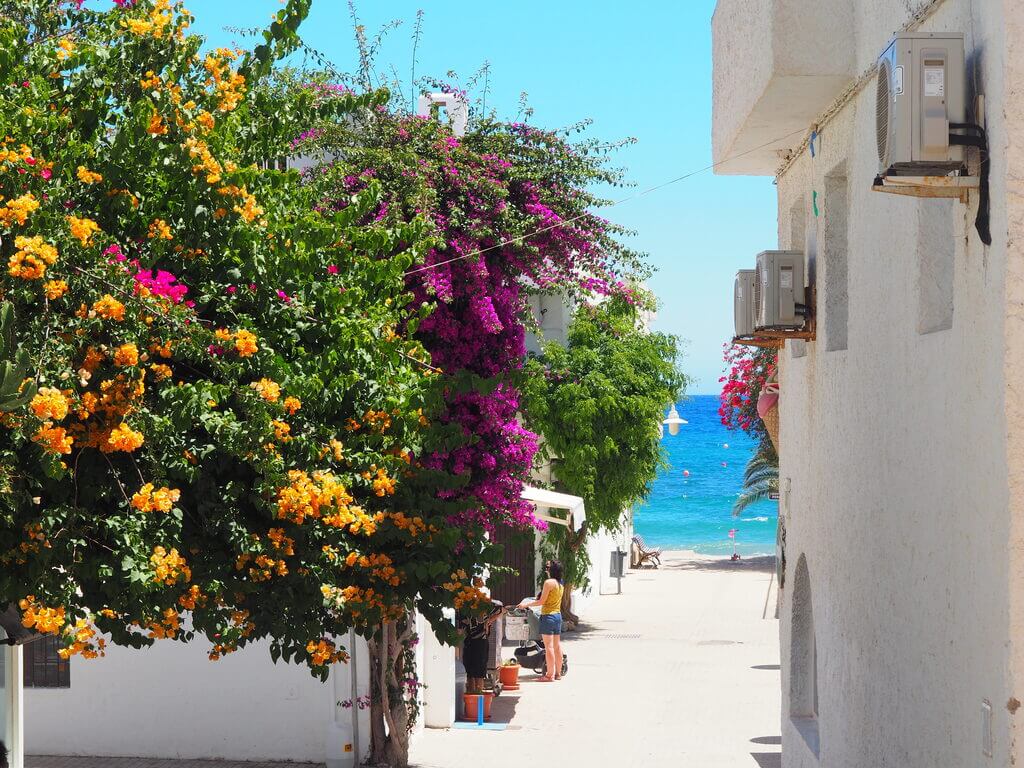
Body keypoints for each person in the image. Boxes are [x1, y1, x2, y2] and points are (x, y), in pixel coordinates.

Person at [518, 560, 564, 682]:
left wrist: (525, 605)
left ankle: (549, 675)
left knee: (548, 647)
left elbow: (541, 602)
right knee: (557, 646)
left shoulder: (548, 582)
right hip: (558, 616)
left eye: (547, 566)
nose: (545, 568)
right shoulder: (560, 583)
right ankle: (558, 673)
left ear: (551, 569)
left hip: (548, 616)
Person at [458, 579, 505, 694]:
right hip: (469, 641)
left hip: (481, 642)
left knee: (479, 673)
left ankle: (478, 698)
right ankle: (471, 696)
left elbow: (502, 610)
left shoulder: (485, 605)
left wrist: (489, 620)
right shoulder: (464, 607)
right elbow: (461, 627)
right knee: (469, 672)